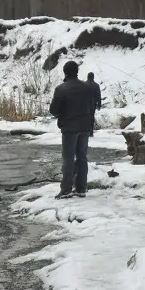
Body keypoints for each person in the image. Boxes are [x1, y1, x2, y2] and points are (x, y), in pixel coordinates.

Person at [49, 61, 93, 199]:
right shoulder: (87, 87)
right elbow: (91, 106)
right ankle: (81, 188)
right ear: (77, 71)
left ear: (65, 72)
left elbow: (53, 110)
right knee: (82, 157)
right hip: (85, 127)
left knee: (68, 158)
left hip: (69, 129)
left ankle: (66, 189)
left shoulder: (61, 89)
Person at [85, 72, 102, 137]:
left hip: (84, 104)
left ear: (87, 77)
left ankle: (85, 132)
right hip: (92, 104)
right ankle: (91, 133)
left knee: (85, 118)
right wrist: (99, 105)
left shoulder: (84, 84)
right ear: (93, 77)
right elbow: (98, 96)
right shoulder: (96, 85)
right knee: (91, 118)